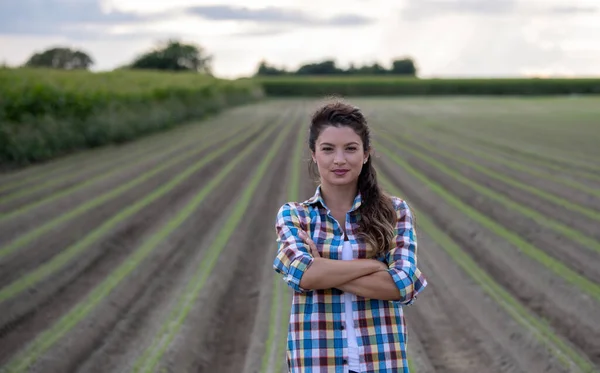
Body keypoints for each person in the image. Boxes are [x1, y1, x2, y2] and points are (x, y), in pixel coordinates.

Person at [273, 99, 427, 373]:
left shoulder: (394, 212)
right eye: (328, 149)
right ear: (314, 154)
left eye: (351, 149)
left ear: (366, 154)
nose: (339, 159)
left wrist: (325, 270)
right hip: (317, 363)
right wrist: (375, 266)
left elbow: (402, 285)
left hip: (383, 362)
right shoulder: (295, 216)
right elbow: (304, 275)